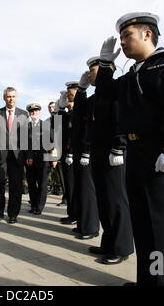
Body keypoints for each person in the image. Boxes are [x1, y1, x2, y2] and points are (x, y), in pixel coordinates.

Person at [96, 12, 164, 286]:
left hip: (161, 153)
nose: (123, 43)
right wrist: (106, 64)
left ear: (147, 34)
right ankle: (151, 280)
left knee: (162, 227)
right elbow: (106, 93)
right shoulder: (133, 72)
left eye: (127, 36)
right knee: (143, 224)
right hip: (136, 152)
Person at [84, 56, 134, 264]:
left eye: (93, 71)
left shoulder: (115, 91)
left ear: (108, 70)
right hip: (99, 152)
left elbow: (123, 119)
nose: (89, 74)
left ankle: (121, 247)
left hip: (113, 152)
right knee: (104, 201)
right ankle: (109, 242)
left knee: (116, 200)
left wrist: (119, 147)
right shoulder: (97, 97)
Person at [0, 87, 29, 224]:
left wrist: (29, 155)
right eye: (8, 96)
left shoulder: (24, 114)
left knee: (16, 186)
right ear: (4, 98)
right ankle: (0, 208)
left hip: (17, 156)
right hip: (0, 156)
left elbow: (27, 137)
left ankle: (13, 214)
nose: (11, 99)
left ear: (17, 98)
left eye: (13, 96)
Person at [65, 80, 99, 239]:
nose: (67, 94)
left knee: (87, 190)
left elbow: (88, 129)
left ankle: (91, 227)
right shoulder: (77, 108)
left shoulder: (90, 102)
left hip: (89, 152)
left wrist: (86, 150)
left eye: (70, 91)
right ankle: (83, 224)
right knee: (80, 190)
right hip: (78, 153)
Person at [25, 103, 49, 215]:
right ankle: (33, 205)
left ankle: (39, 206)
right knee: (31, 184)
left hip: (43, 160)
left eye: (35, 111)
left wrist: (54, 159)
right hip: (30, 161)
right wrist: (28, 156)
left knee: (42, 184)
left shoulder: (46, 125)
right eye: (31, 111)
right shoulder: (26, 126)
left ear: (39, 112)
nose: (33, 113)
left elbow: (53, 142)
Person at [56, 90, 76, 224]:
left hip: (76, 156)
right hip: (66, 155)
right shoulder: (67, 114)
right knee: (69, 187)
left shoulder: (78, 113)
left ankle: (76, 215)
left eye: (69, 96)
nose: (67, 99)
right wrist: (60, 106)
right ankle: (72, 213)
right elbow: (56, 122)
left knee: (75, 187)